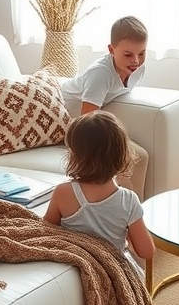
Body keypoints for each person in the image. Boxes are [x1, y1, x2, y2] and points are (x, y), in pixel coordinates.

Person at [43, 110, 155, 277]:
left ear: (75, 156)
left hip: (77, 270)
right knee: (136, 274)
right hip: (113, 271)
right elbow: (146, 251)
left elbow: (46, 231)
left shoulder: (63, 192)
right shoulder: (128, 200)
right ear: (122, 154)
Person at [61, 15, 149, 199]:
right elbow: (87, 121)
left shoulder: (137, 69)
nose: (136, 61)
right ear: (111, 49)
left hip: (96, 121)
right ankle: (125, 212)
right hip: (71, 123)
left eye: (141, 53)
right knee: (120, 165)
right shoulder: (100, 74)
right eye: (128, 54)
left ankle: (138, 211)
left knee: (140, 157)